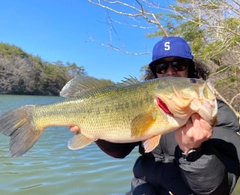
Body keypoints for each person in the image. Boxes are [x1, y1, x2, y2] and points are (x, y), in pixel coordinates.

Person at [70, 36, 240, 195]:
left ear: (191, 68)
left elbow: (222, 187)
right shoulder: (146, 100)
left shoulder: (216, 113)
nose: (170, 72)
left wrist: (193, 152)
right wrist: (94, 130)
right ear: (154, 73)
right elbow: (119, 151)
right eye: (162, 67)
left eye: (178, 65)